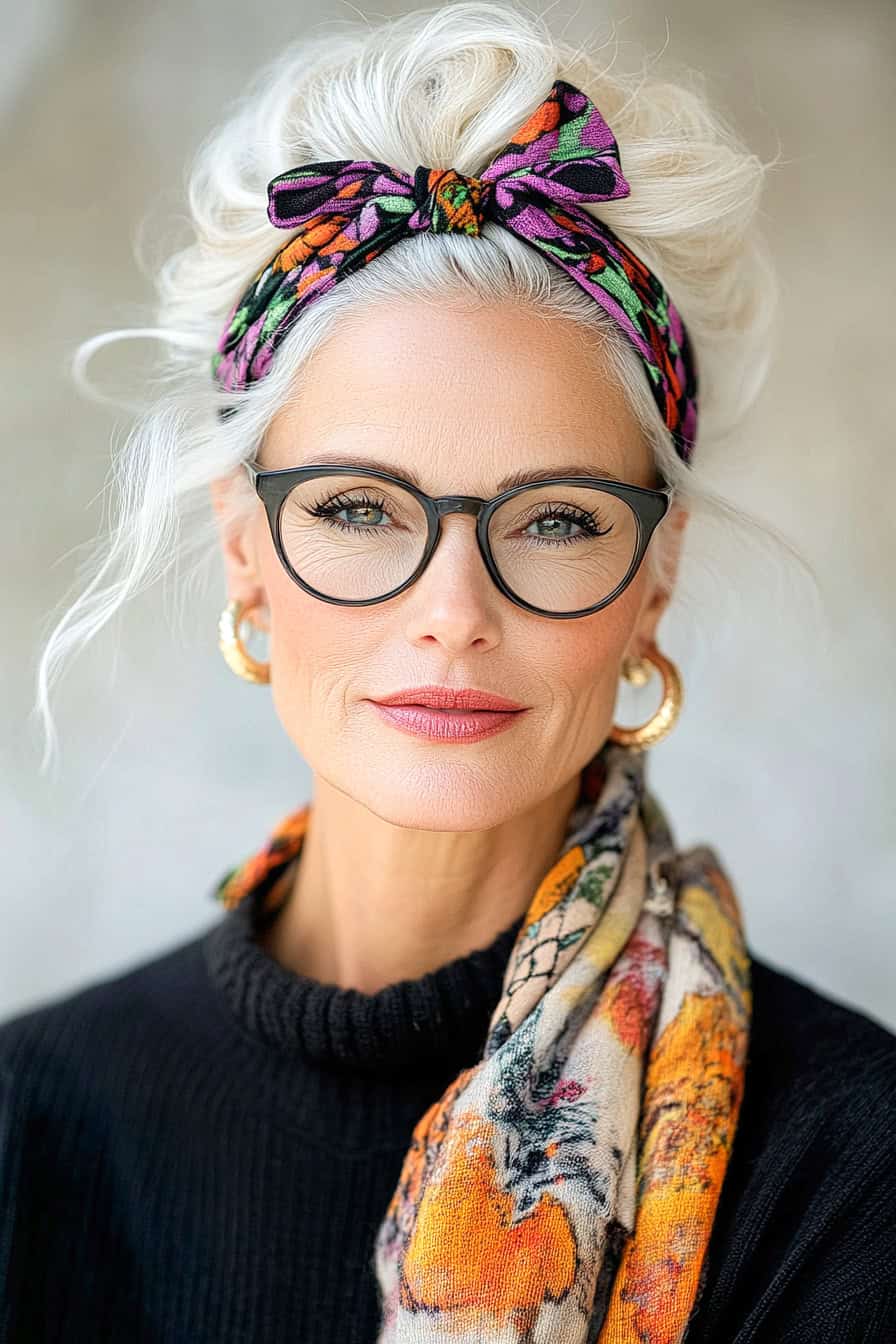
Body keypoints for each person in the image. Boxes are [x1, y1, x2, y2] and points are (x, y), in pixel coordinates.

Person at [4, 3, 894, 1342]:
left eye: (556, 520)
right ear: (247, 550)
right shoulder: (33, 1116)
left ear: (656, 575)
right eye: (359, 509)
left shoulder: (844, 1155)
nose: (452, 613)